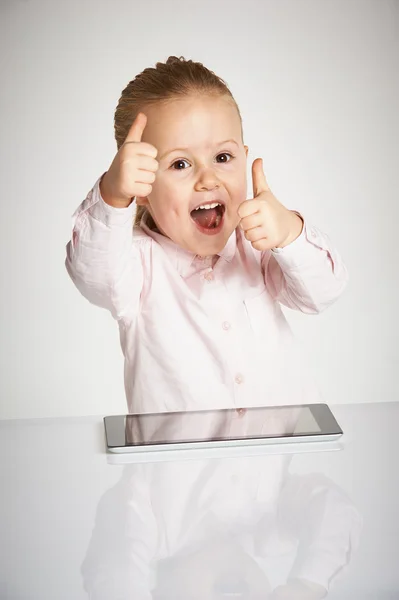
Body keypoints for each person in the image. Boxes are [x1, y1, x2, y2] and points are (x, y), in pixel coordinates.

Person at [65, 56, 348, 414]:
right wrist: (112, 194)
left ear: (245, 159)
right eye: (180, 164)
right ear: (140, 185)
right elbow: (94, 274)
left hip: (273, 460)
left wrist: (290, 233)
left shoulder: (259, 247)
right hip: (178, 465)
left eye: (223, 157)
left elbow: (323, 293)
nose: (208, 179)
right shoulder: (135, 265)